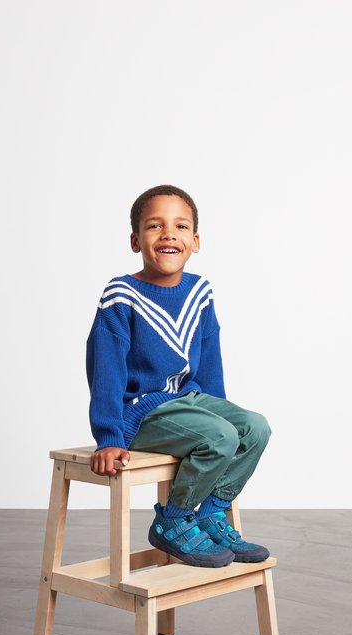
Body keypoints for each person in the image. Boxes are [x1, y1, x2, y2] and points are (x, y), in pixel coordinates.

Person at [85, 184, 272, 568]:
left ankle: (210, 514)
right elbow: (105, 369)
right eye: (155, 226)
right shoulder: (121, 294)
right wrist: (108, 437)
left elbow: (210, 362)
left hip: (187, 402)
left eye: (181, 226)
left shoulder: (200, 291)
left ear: (195, 241)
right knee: (219, 437)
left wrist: (220, 412)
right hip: (140, 413)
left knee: (255, 427)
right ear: (136, 240)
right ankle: (173, 520)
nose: (169, 234)